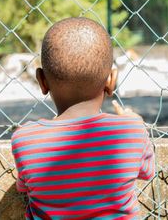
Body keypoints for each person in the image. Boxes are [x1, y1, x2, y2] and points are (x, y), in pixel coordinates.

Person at [11, 17, 155, 219]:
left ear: (42, 81)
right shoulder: (130, 130)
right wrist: (134, 120)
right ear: (111, 81)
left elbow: (23, 187)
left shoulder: (24, 139)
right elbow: (147, 172)